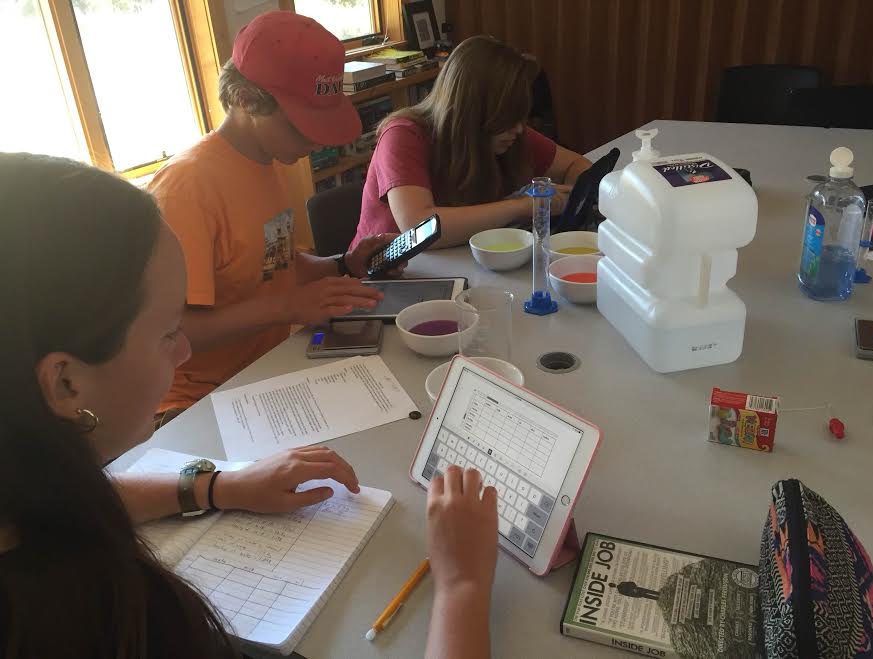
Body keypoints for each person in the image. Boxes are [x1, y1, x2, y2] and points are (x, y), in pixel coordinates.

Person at [0, 153, 498, 658]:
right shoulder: (69, 623)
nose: (184, 350)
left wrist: (216, 486)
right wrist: (463, 587)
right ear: (65, 384)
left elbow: (65, 505)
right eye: (168, 333)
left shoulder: (28, 495)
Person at [149, 12, 402, 421]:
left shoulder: (270, 160)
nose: (317, 140)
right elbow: (172, 334)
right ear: (246, 100)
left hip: (268, 370)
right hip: (195, 403)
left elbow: (274, 265)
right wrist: (287, 308)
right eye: (303, 125)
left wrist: (343, 264)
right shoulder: (187, 190)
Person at [350, 35, 594, 250]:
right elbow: (419, 228)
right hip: (385, 276)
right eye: (508, 117)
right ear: (473, 113)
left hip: (456, 261)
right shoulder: (402, 136)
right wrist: (521, 206)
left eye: (520, 117)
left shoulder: (506, 132)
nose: (519, 129)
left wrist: (574, 200)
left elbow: (578, 165)